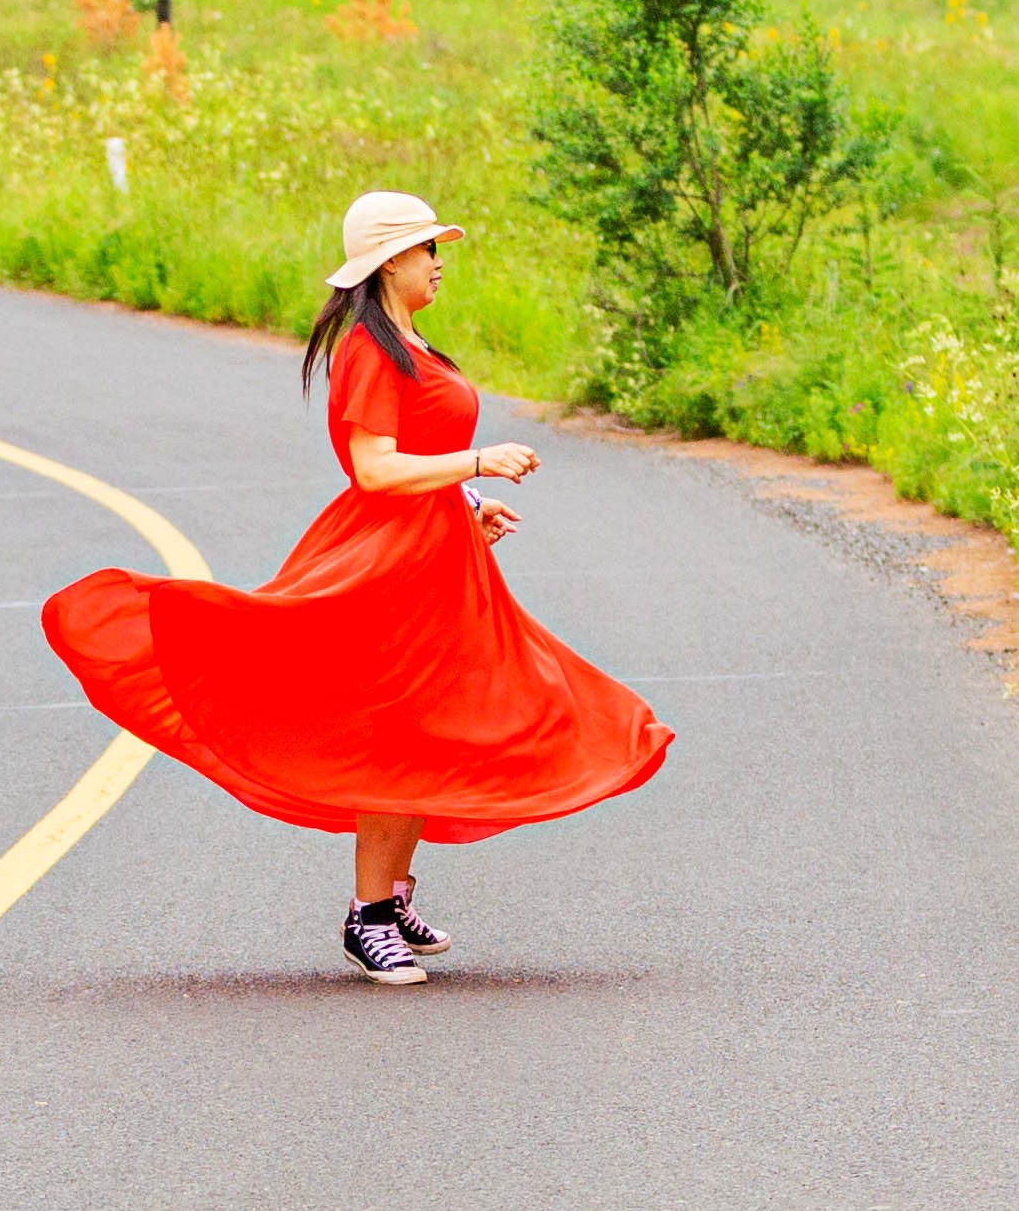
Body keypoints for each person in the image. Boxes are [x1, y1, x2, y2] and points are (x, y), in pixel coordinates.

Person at [41, 190, 672, 983]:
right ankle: (367, 915)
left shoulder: (411, 339)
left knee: (436, 721)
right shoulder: (373, 350)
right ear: (390, 262)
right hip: (390, 565)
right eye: (427, 250)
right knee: (402, 730)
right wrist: (478, 463)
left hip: (436, 556)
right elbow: (373, 467)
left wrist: (468, 502)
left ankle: (393, 894)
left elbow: (418, 451)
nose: (439, 262)